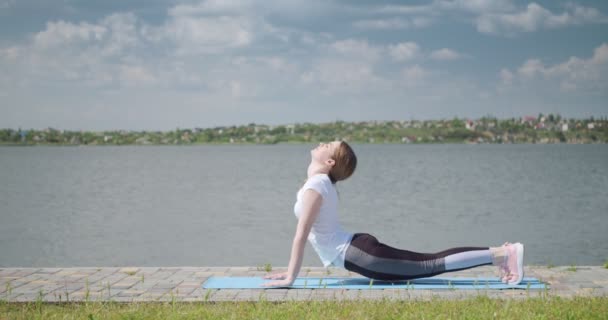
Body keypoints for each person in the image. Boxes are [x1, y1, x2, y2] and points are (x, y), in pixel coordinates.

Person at [262, 140, 524, 287]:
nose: (323, 142)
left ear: (330, 162)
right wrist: (288, 274)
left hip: (361, 255)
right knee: (429, 262)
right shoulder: (320, 183)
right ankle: (500, 255)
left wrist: (290, 277)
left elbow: (301, 235)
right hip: (359, 251)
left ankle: (502, 254)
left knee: (431, 264)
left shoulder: (318, 185)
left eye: (329, 144)